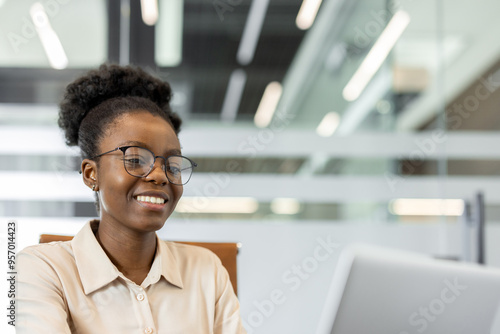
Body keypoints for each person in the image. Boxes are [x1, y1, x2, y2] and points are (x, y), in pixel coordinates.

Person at [17, 64, 247, 333]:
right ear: (92, 174)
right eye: (136, 159)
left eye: (172, 165)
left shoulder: (207, 269)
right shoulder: (43, 269)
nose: (160, 176)